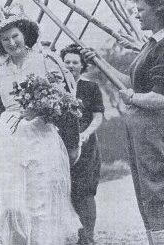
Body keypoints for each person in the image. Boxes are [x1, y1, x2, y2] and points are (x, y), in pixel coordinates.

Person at [0, 4, 80, 245]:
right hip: (9, 135)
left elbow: (66, 96)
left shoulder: (44, 59)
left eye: (15, 36)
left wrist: (41, 109)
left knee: (39, 202)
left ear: (25, 35)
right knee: (11, 205)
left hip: (39, 132)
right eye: (4, 39)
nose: (11, 43)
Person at [81, 0, 164, 243]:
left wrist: (134, 98)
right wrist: (99, 61)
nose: (136, 16)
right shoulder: (154, 44)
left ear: (158, 12)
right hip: (144, 130)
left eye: (141, 10)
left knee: (159, 194)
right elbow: (130, 82)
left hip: (157, 130)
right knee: (148, 196)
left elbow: (162, 97)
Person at [60, 44, 104, 245]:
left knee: (84, 192)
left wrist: (85, 133)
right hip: (60, 146)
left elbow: (98, 116)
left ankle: (87, 238)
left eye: (75, 62)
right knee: (62, 190)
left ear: (82, 65)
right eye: (66, 62)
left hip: (86, 145)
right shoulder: (55, 88)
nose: (70, 65)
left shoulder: (90, 87)